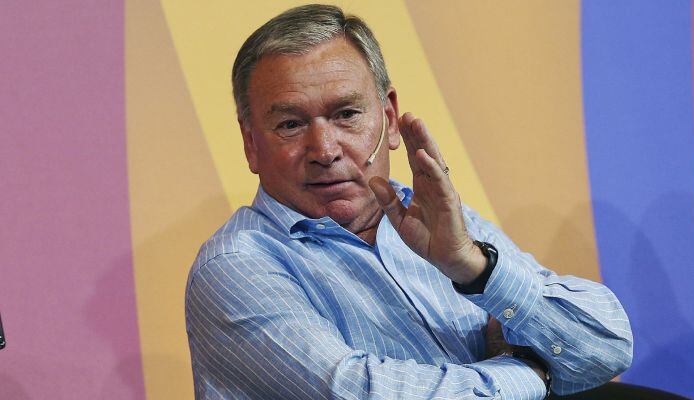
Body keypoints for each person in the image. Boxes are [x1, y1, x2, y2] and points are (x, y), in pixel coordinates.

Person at [185, 4, 632, 399]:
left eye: (346, 114)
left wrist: (473, 268)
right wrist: (534, 374)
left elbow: (606, 348)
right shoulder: (234, 265)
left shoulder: (436, 221)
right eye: (290, 124)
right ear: (250, 144)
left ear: (390, 118)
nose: (324, 149)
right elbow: (362, 392)